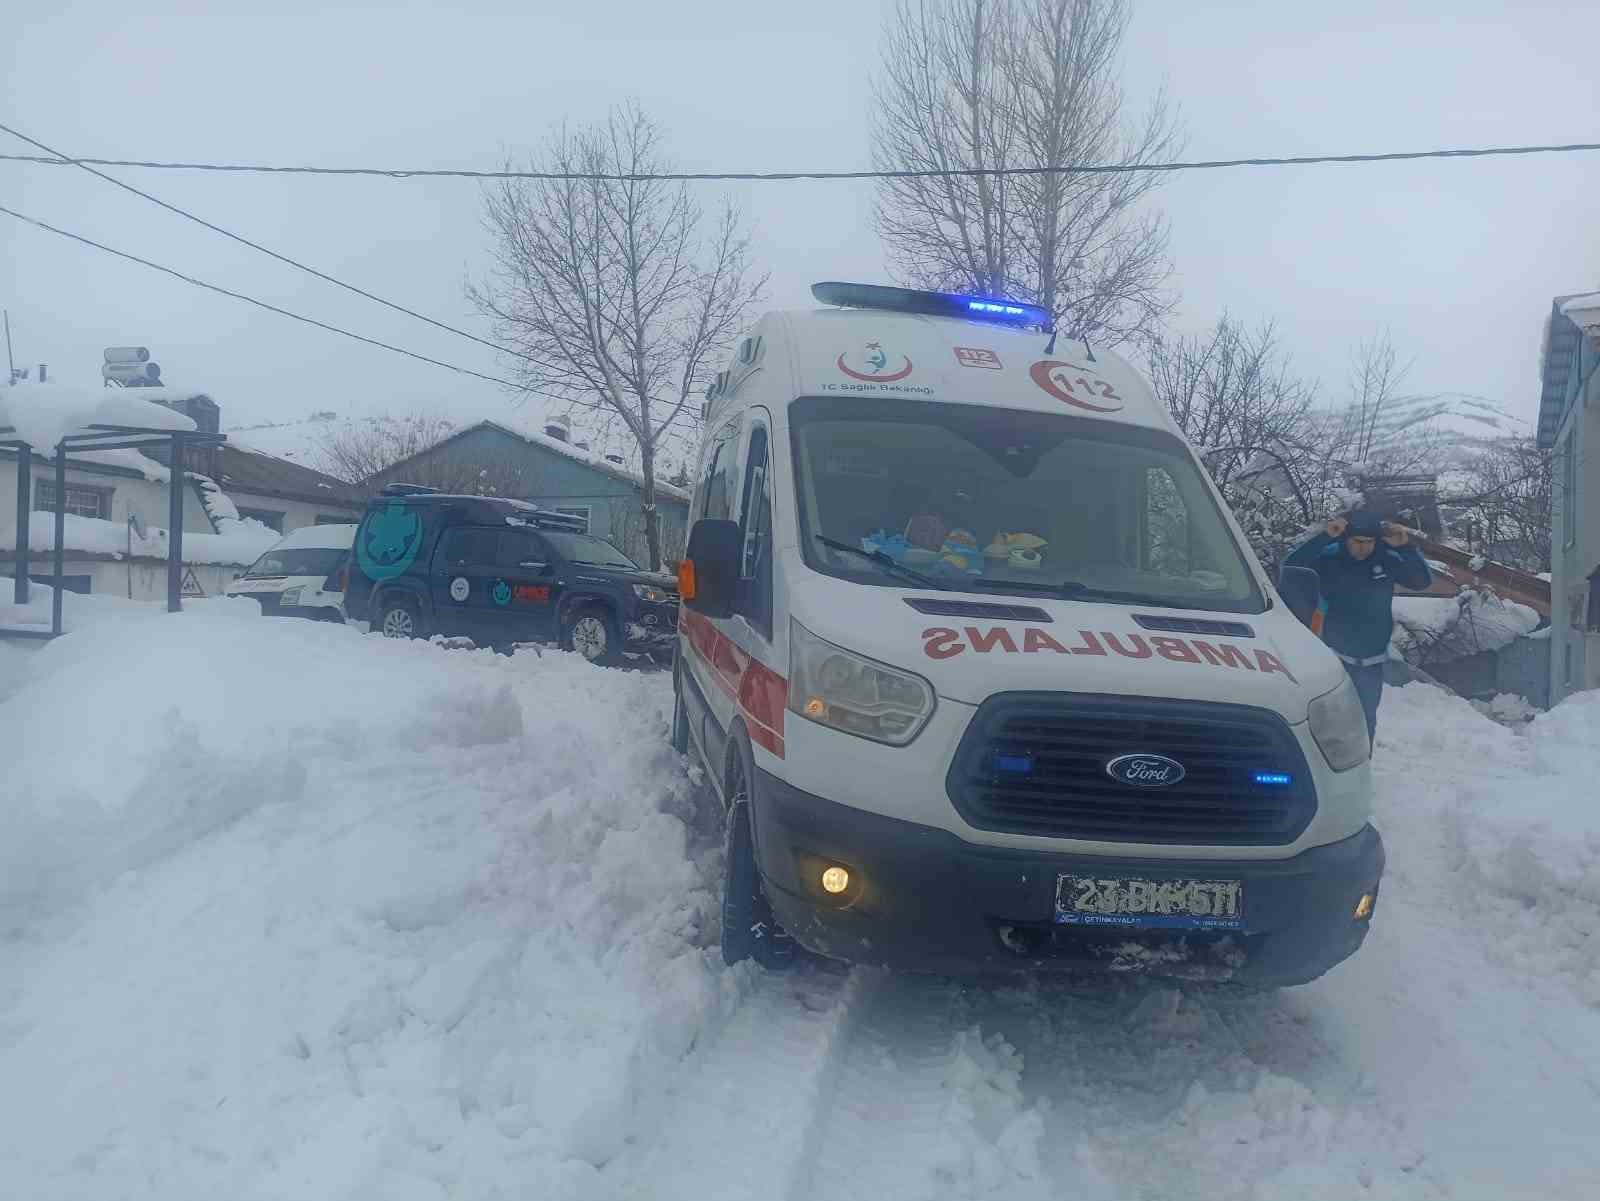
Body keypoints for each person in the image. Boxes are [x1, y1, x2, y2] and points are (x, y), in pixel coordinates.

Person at [1284, 509, 1431, 741]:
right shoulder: (1330, 559)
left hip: (1371, 660)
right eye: (1357, 541)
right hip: (1333, 656)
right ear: (1347, 539)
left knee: (1364, 720)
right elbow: (1291, 568)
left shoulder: (1387, 559)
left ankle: (1361, 767)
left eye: (1369, 542)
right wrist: (1325, 536)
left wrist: (1406, 547)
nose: (1363, 547)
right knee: (1329, 719)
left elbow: (1421, 581)